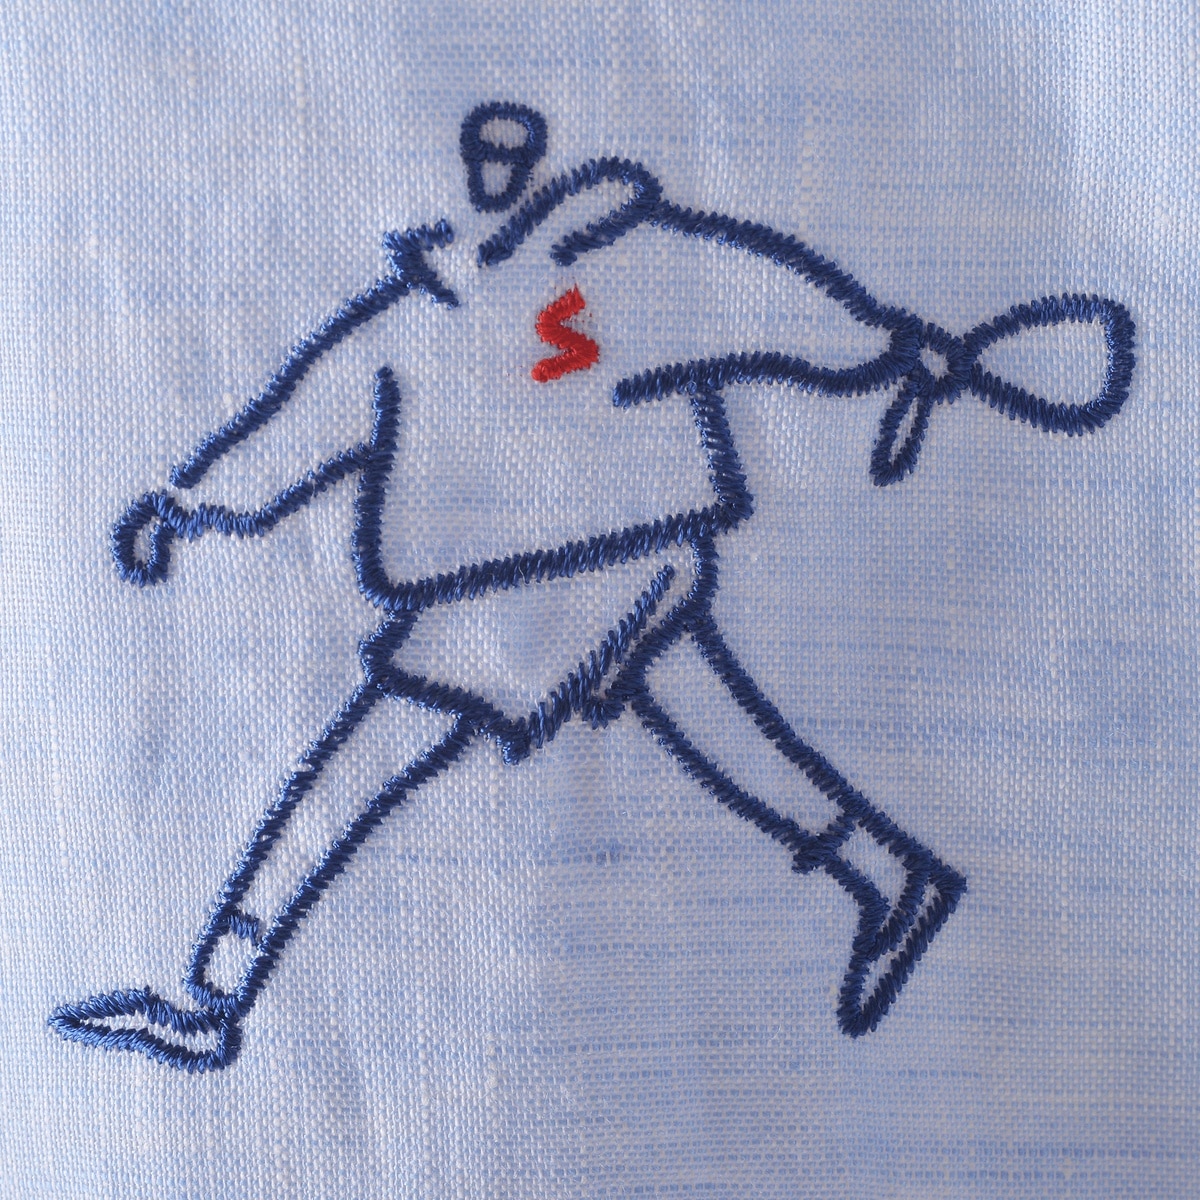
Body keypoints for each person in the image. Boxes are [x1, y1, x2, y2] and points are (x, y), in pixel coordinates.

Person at [50, 102, 1135, 1072]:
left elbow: (762, 303)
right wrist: (190, 500)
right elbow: (311, 417)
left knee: (365, 755)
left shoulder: (611, 263)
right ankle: (888, 878)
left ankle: (212, 998)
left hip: (552, 577)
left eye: (510, 163)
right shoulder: (429, 310)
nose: (496, 179)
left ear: (529, 171)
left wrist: (882, 347)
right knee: (706, 720)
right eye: (486, 164)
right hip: (580, 566)